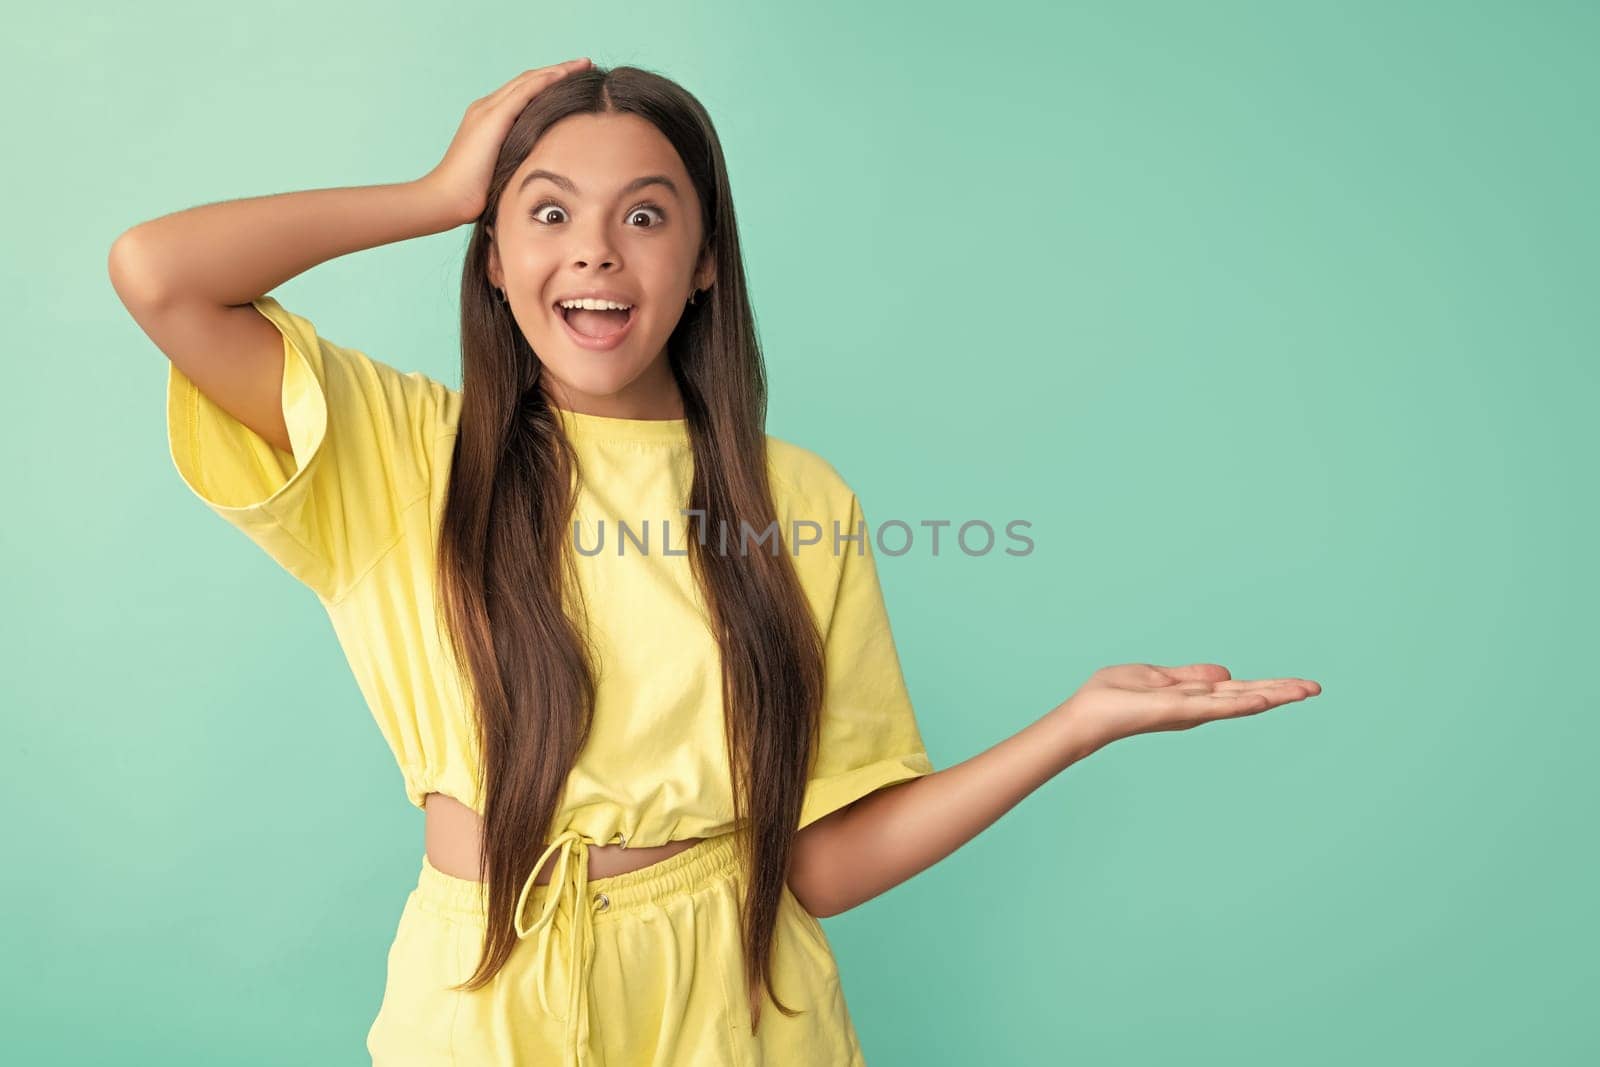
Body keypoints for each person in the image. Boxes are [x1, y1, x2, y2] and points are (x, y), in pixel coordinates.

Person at [108, 59, 1322, 1066]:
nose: (593, 252)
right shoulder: (409, 450)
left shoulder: (795, 499)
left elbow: (821, 861)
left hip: (737, 999)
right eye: (545, 212)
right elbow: (159, 275)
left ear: (701, 264)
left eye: (642, 215)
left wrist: (1073, 724)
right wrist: (436, 192)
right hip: (484, 991)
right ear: (490, 256)